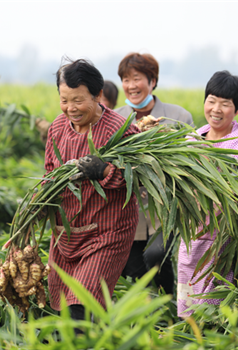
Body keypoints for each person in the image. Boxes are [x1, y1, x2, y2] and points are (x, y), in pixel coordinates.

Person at [45, 58, 139, 321]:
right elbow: (49, 172)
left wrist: (106, 171)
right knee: (62, 309)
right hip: (66, 234)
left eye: (78, 100)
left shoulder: (120, 130)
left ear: (99, 95)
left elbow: (138, 178)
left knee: (80, 306)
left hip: (106, 235)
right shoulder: (57, 128)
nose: (70, 108)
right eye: (64, 100)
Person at [177, 70, 238, 316]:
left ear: (236, 109)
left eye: (225, 104)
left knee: (220, 312)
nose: (216, 109)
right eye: (211, 101)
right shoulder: (193, 139)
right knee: (189, 308)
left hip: (229, 242)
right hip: (194, 237)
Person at [115, 52, 193, 295]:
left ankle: (167, 309)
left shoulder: (177, 117)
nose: (130, 86)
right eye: (125, 80)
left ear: (152, 81)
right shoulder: (115, 119)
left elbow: (191, 160)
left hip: (165, 210)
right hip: (129, 212)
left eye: (136, 78)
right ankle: (157, 319)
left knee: (157, 254)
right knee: (136, 271)